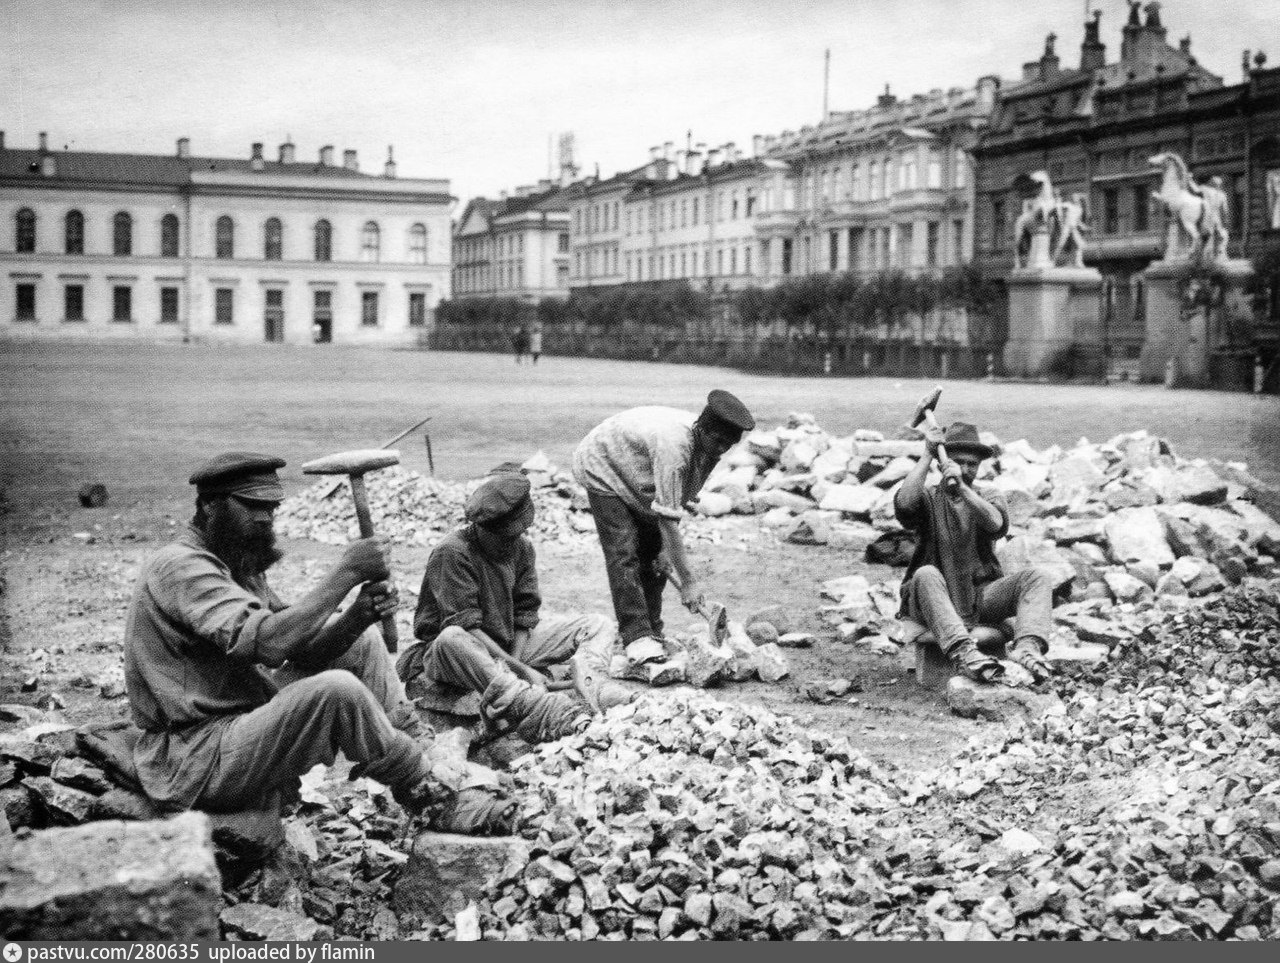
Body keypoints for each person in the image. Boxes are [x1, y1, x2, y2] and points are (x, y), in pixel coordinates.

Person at [123, 452, 513, 834]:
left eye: (271, 508)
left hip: (236, 724)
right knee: (335, 692)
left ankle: (418, 749)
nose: (264, 519)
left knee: (361, 643)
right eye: (251, 507)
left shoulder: (232, 561)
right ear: (210, 505)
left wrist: (358, 616)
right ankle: (430, 797)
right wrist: (347, 572)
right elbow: (272, 644)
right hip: (195, 756)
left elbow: (302, 647)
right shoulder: (181, 566)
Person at [397, 468, 625, 741]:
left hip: (506, 647)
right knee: (451, 638)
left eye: (518, 533)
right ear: (482, 529)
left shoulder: (523, 548)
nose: (513, 541)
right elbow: (465, 625)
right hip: (456, 653)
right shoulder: (453, 552)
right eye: (505, 536)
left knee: (596, 624)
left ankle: (593, 684)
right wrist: (523, 671)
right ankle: (526, 703)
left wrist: (517, 664)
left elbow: (524, 615)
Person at [572, 390, 754, 651]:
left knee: (655, 558)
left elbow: (677, 502)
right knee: (623, 553)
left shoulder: (710, 448)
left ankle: (654, 630)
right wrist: (689, 582)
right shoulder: (674, 447)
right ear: (702, 430)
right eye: (718, 441)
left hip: (636, 468)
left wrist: (663, 550)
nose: (722, 448)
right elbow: (667, 520)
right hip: (602, 462)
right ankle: (636, 637)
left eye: (729, 444)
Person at [895, 423, 1053, 683]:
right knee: (925, 573)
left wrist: (963, 489)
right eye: (958, 462)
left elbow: (996, 525)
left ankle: (1028, 649)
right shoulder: (929, 497)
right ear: (942, 464)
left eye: (972, 464)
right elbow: (904, 504)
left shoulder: (988, 495)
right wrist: (927, 454)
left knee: (1037, 577)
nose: (966, 469)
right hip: (932, 597)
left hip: (979, 597)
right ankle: (965, 653)